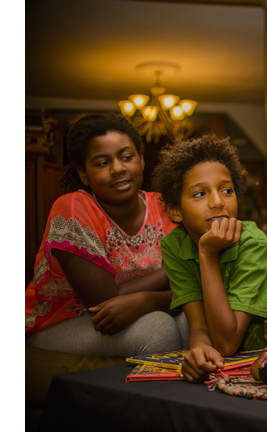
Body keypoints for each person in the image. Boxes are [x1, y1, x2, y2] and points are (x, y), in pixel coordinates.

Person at [25, 114, 186, 357]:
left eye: (126, 157)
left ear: (141, 160)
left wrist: (146, 301)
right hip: (62, 321)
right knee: (159, 330)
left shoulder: (166, 206)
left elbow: (194, 285)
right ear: (83, 173)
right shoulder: (72, 208)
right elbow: (104, 300)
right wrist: (177, 268)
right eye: (102, 163)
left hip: (143, 310)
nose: (118, 168)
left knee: (190, 322)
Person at [152, 135, 267, 383]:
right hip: (229, 361)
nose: (218, 202)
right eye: (200, 194)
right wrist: (198, 349)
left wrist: (207, 253)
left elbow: (227, 342)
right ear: (176, 211)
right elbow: (198, 325)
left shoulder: (253, 243)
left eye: (226, 190)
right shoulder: (174, 246)